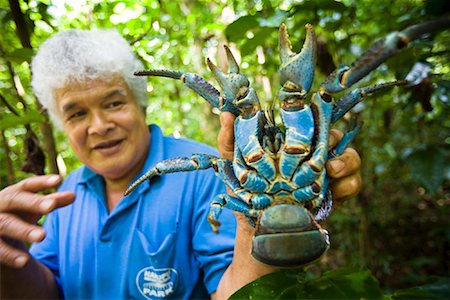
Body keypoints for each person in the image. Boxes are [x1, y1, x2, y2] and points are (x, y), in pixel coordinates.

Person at [0, 29, 361, 299]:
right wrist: (6, 258)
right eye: (77, 113)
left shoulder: (206, 173)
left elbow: (234, 291)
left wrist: (260, 224)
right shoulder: (66, 193)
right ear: (62, 126)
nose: (99, 125)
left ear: (140, 103)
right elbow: (44, 290)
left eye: (113, 103)